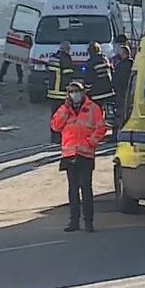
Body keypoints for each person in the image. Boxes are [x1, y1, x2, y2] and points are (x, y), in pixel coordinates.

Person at [50, 81, 106, 233]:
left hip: (85, 154)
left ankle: (89, 221)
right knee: (73, 190)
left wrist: (91, 143)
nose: (75, 94)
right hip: (69, 154)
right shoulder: (64, 109)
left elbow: (101, 128)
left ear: (83, 92)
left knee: (86, 189)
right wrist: (65, 108)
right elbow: (55, 126)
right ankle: (74, 221)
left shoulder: (93, 108)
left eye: (77, 91)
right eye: (72, 91)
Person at [46, 41, 74, 143]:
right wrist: (70, 91)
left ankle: (54, 137)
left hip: (52, 92)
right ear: (67, 49)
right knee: (64, 116)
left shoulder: (54, 57)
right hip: (61, 93)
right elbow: (67, 77)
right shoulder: (66, 59)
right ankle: (61, 137)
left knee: (54, 116)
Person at [83, 41, 115, 106]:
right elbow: (112, 73)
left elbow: (89, 80)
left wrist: (86, 91)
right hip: (109, 92)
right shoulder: (105, 60)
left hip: (97, 95)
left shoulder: (91, 63)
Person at [111, 43, 134, 128]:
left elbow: (116, 80)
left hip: (122, 93)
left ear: (124, 54)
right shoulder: (133, 64)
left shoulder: (122, 66)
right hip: (129, 93)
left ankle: (117, 132)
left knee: (120, 114)